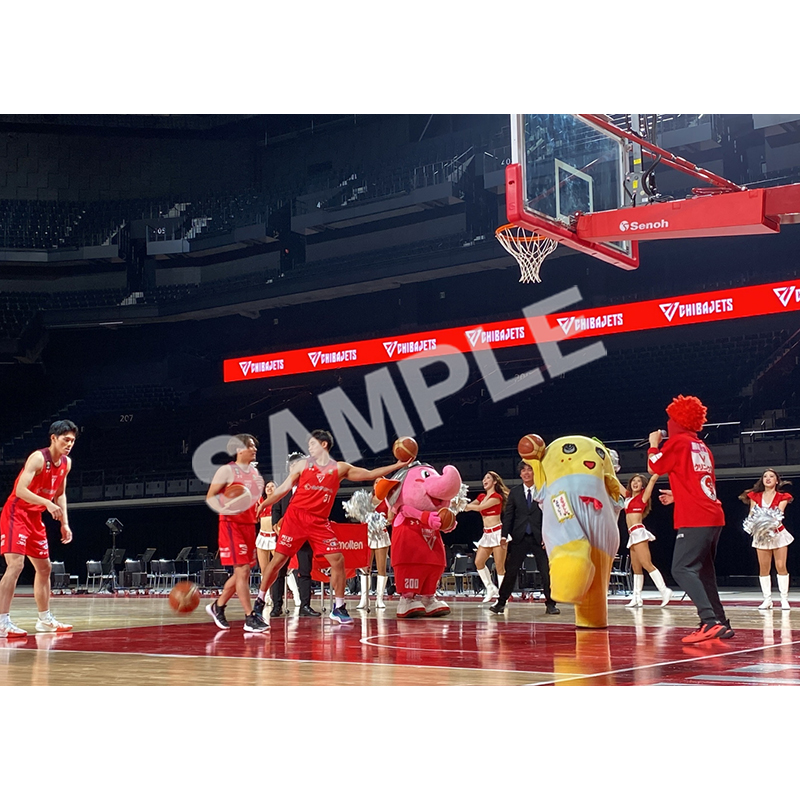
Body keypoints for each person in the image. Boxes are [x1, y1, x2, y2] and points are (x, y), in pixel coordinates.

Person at [253, 430, 411, 625]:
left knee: (338, 560)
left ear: (324, 445)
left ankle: (339, 607)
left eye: (312, 444)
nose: (309, 448)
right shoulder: (303, 465)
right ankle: (259, 602)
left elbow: (369, 474)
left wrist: (398, 465)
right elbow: (284, 488)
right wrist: (264, 504)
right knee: (278, 561)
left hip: (319, 521)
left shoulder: (339, 468)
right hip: (296, 518)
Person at [647, 394, 734, 642]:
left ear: (677, 420)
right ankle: (720, 622)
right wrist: (679, 495)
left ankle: (709, 622)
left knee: (681, 568)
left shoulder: (678, 443)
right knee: (704, 572)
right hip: (712, 514)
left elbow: (654, 467)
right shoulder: (701, 446)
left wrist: (654, 444)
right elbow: (701, 481)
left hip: (695, 517)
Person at [0, 420, 78, 637]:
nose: (69, 444)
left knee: (45, 568)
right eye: (66, 440)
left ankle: (45, 620)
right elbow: (20, 490)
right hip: (16, 513)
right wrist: (46, 503)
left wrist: (64, 523)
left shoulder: (66, 463)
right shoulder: (38, 458)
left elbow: (60, 494)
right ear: (53, 438)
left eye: (72, 441)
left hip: (34, 517)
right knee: (15, 565)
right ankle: (2, 621)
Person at [205, 434, 267, 633]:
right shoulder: (227, 471)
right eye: (251, 446)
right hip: (232, 524)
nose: (255, 449)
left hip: (249, 525)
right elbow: (210, 496)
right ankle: (249, 617)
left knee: (245, 572)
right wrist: (227, 507)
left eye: (255, 446)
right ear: (239, 449)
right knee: (242, 571)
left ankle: (218, 606)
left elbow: (256, 501)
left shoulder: (255, 474)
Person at [489, 460, 559, 615]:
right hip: (519, 537)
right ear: (520, 474)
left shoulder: (543, 490)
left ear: (535, 472)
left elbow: (550, 515)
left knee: (545, 572)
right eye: (523, 470)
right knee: (511, 572)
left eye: (529, 469)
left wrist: (548, 535)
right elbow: (509, 516)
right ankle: (501, 603)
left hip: (539, 538)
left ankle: (551, 604)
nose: (526, 473)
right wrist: (504, 535)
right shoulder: (515, 492)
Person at [740, 469, 794, 610]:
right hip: (761, 536)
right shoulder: (755, 496)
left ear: (777, 481)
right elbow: (752, 515)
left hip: (778, 534)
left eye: (771, 476)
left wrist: (766, 523)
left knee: (781, 566)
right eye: (765, 476)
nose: (768, 478)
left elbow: (779, 515)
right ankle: (767, 599)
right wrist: (754, 525)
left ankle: (784, 599)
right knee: (764, 568)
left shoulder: (783, 497)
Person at [622, 473, 673, 608]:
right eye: (633, 480)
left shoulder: (643, 497)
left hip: (638, 532)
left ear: (642, 486)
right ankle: (637, 597)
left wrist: (658, 469)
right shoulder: (628, 497)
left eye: (639, 481)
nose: (635, 483)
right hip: (632, 534)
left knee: (646, 564)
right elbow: (615, 483)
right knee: (636, 567)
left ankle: (664, 591)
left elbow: (653, 480)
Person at [464, 471, 509, 603]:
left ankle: (503, 597)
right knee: (478, 562)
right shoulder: (481, 496)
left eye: (488, 478)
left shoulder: (496, 497)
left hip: (498, 533)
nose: (484, 480)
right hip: (487, 534)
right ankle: (490, 588)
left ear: (494, 482)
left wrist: (464, 505)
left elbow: (479, 508)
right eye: (484, 478)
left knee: (499, 566)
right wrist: (461, 504)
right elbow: (467, 508)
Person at [357, 482, 391, 611]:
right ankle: (364, 599)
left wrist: (380, 523)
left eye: (381, 482)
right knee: (365, 568)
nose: (378, 484)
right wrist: (368, 522)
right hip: (367, 535)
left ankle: (379, 599)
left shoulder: (388, 500)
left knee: (381, 568)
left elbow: (391, 518)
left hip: (381, 534)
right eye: (376, 482)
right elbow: (360, 516)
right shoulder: (367, 499)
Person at [255, 480, 277, 590]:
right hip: (262, 537)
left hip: (275, 537)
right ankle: (265, 595)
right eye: (267, 486)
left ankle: (295, 594)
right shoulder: (260, 503)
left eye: (272, 486)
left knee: (282, 568)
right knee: (264, 570)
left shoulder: (279, 502)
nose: (269, 488)